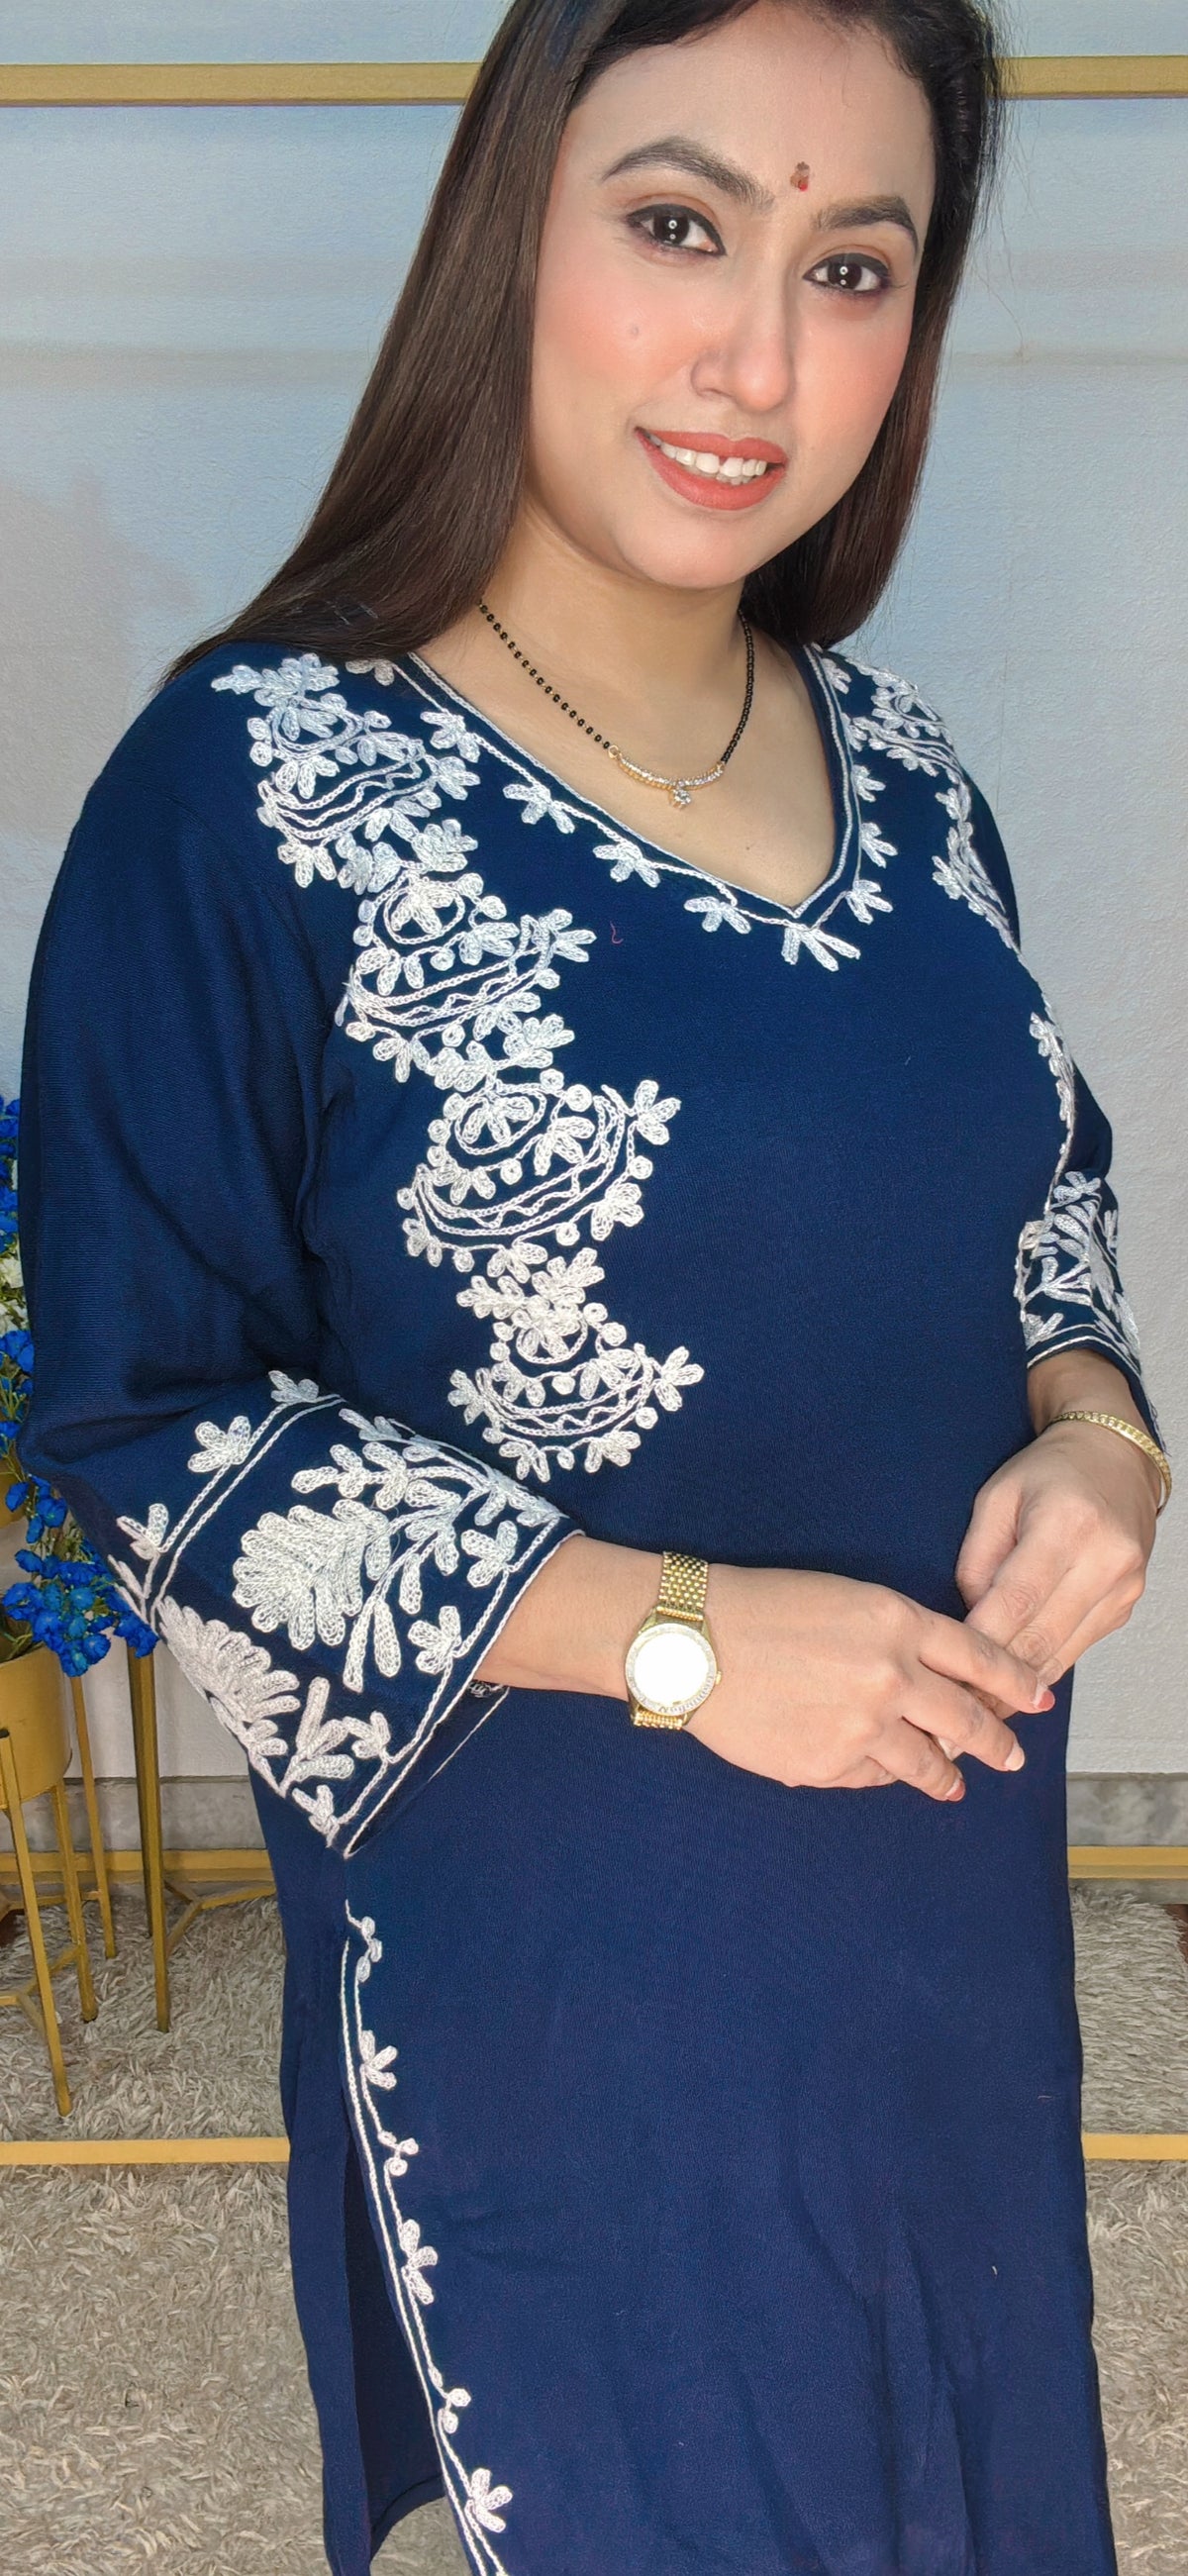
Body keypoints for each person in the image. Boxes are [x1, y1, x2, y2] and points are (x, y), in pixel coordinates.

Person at [18, 1, 1171, 2568]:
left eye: (853, 266)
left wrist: (1103, 1428)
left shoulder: (910, 773)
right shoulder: (251, 792)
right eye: (679, 224)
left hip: (940, 1928)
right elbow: (149, 1427)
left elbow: (1037, 1187)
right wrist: (681, 1636)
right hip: (569, 1973)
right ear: (507, 229)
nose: (760, 356)